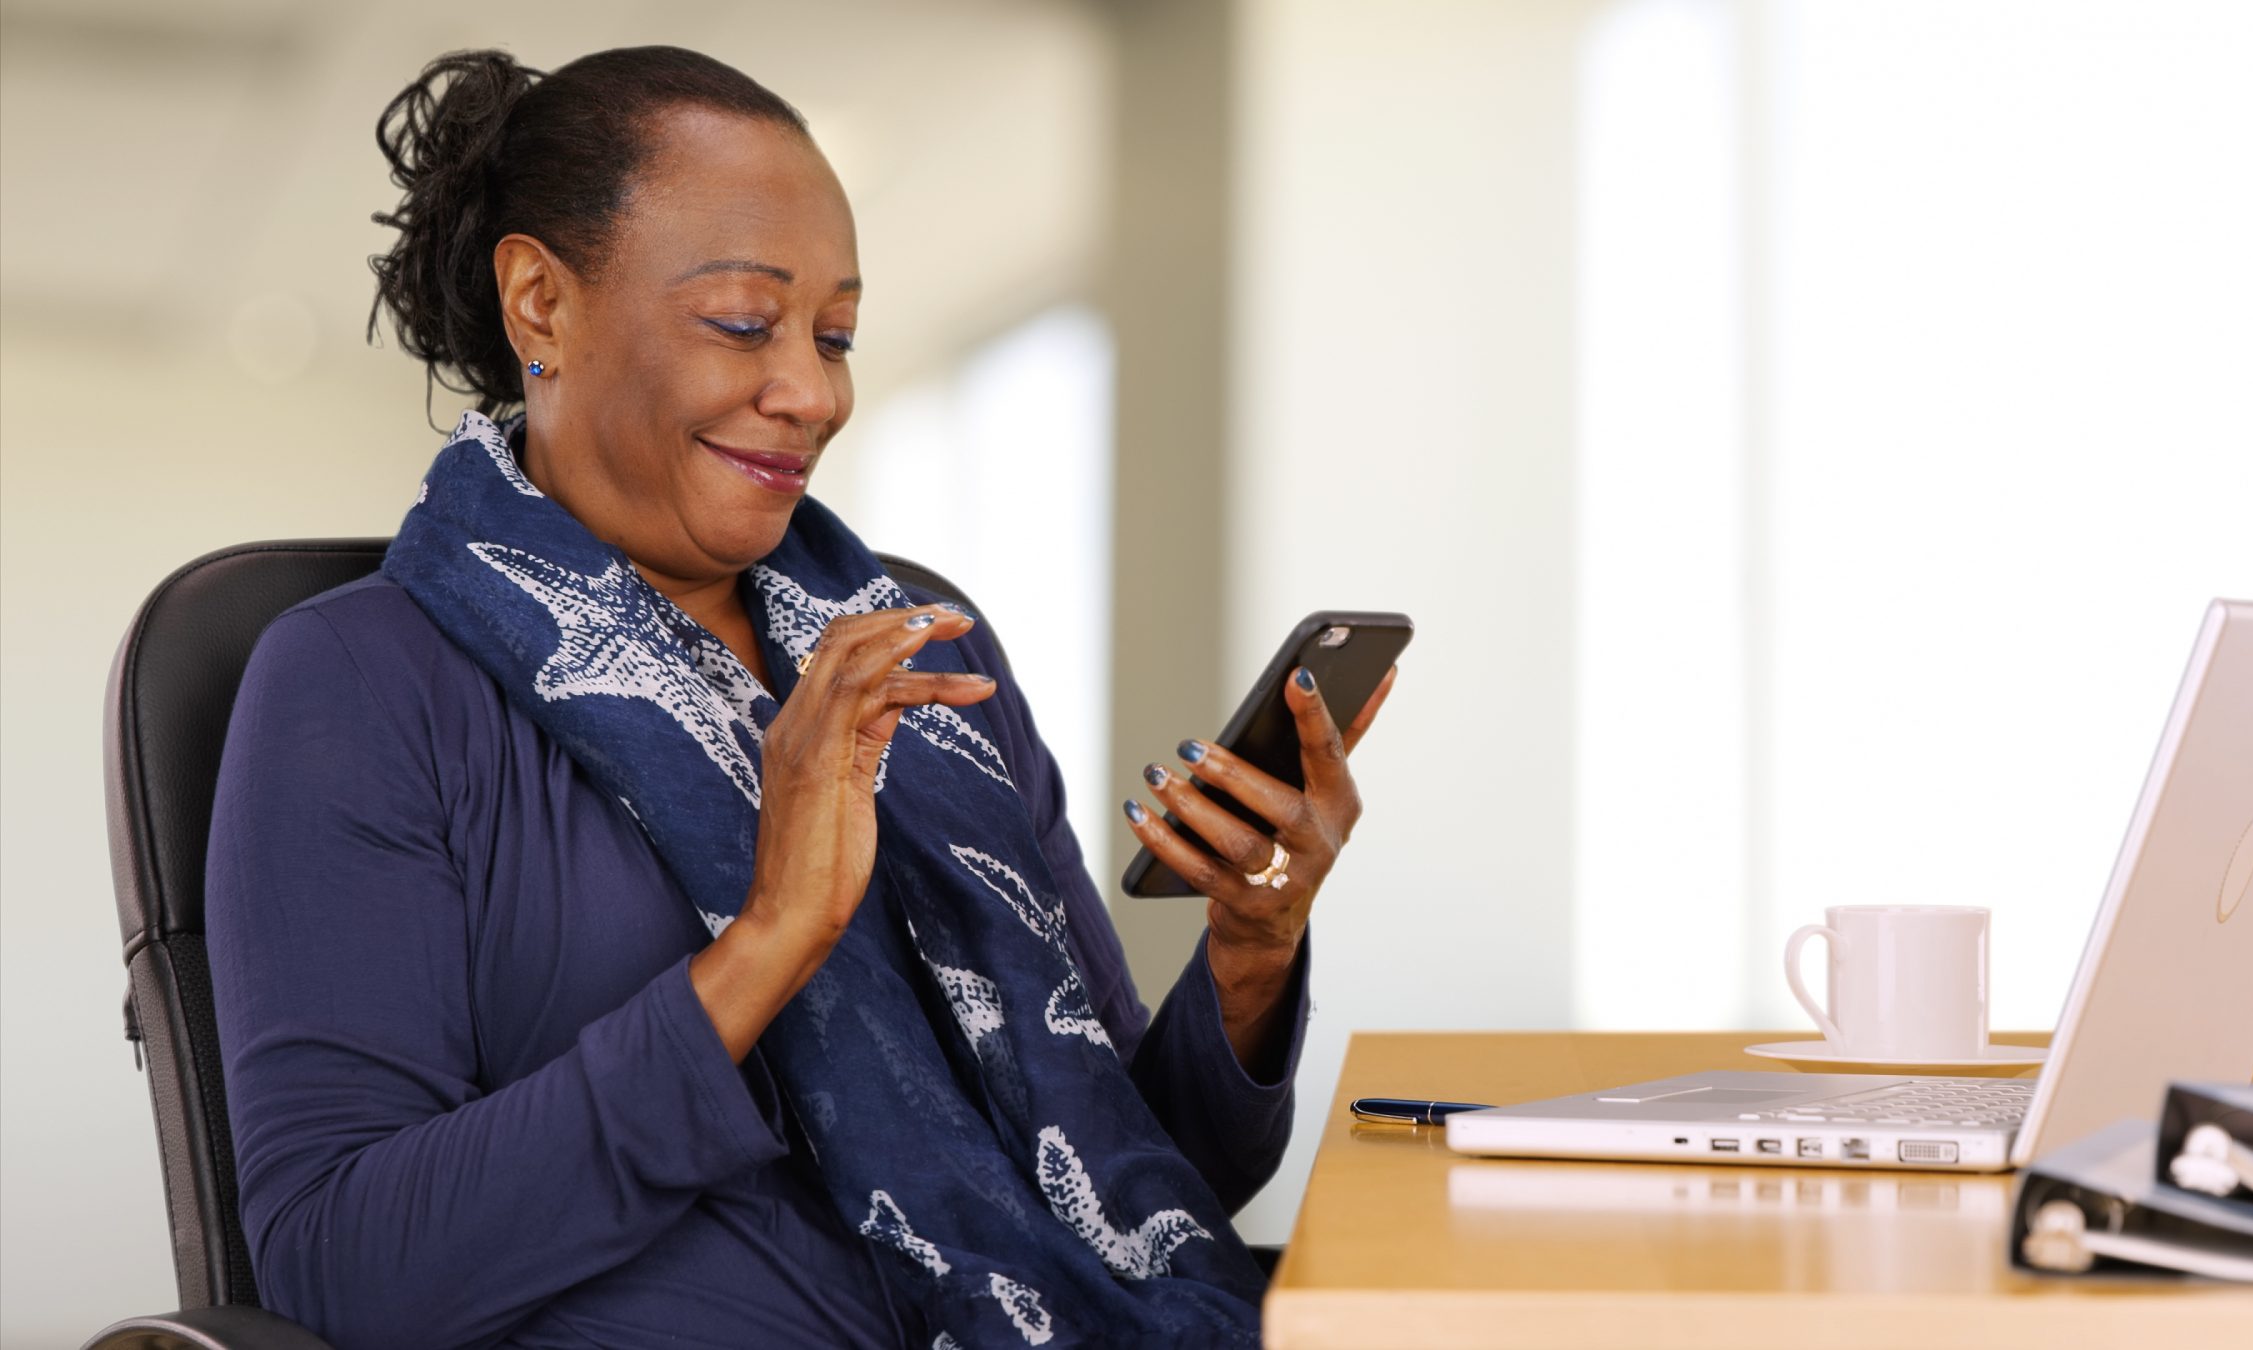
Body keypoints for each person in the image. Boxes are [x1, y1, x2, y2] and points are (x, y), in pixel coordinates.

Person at [204, 45, 1395, 1350]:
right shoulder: (358, 684)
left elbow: (1136, 1198)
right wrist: (771, 937)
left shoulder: (913, 654)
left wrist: (1250, 952)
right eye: (742, 322)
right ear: (541, 303)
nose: (813, 393)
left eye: (834, 336)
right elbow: (342, 1270)